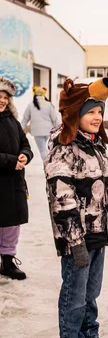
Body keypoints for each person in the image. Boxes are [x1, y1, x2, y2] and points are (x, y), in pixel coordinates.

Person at [44, 77, 108, 338]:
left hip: (97, 232)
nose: (97, 117)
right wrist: (75, 242)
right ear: (74, 114)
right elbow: (62, 200)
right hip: (78, 238)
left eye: (100, 112)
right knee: (73, 296)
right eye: (90, 111)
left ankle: (89, 337)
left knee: (91, 292)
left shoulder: (95, 146)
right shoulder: (65, 149)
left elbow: (105, 193)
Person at [0, 76, 33, 280]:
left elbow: (25, 144)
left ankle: (8, 261)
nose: (2, 100)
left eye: (5, 97)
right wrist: (12, 161)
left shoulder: (13, 121)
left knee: (11, 224)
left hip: (13, 182)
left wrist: (25, 155)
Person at [21, 86, 59, 160]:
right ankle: (50, 164)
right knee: (47, 149)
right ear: (43, 94)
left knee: (42, 150)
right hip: (48, 131)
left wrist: (20, 130)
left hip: (37, 132)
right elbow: (55, 119)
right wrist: (59, 128)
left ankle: (47, 165)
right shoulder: (48, 104)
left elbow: (25, 119)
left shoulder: (31, 105)